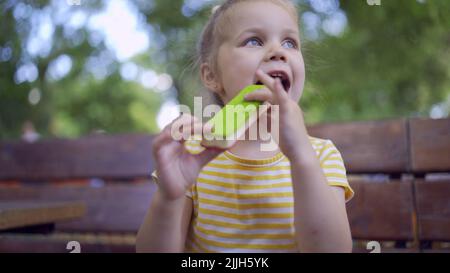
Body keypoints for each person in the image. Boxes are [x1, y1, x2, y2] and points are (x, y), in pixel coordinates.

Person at [136, 0, 354, 253]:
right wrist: (169, 198)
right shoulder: (193, 155)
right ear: (212, 76)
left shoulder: (320, 155)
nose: (278, 52)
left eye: (290, 43)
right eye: (254, 41)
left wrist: (301, 157)